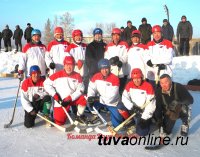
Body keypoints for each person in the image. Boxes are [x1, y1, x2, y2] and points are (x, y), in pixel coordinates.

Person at [44, 56, 88, 125]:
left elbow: (81, 89)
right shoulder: (57, 75)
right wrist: (55, 95)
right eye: (67, 65)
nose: (69, 67)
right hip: (61, 101)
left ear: (74, 66)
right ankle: (54, 114)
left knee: (85, 97)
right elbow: (46, 84)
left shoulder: (77, 76)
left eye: (71, 65)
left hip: (72, 99)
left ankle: (79, 116)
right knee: (59, 123)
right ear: (64, 65)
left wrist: (70, 98)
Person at [87, 59, 124, 127]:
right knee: (89, 101)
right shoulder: (96, 76)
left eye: (106, 68)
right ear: (100, 69)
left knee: (117, 125)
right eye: (102, 69)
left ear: (109, 68)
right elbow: (91, 88)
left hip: (113, 103)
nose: (104, 71)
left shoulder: (115, 78)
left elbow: (111, 97)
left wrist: (97, 99)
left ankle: (120, 117)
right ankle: (96, 116)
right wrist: (91, 97)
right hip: (101, 101)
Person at [119, 68, 156, 136]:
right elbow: (124, 98)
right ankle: (131, 121)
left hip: (143, 111)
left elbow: (151, 105)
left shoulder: (148, 86)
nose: (136, 80)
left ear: (142, 77)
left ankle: (149, 120)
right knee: (120, 106)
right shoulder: (129, 85)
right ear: (132, 79)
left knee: (142, 133)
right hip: (134, 109)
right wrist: (132, 107)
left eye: (138, 78)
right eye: (134, 78)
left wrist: (144, 118)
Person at [104, 28, 128, 95]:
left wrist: (120, 60)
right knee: (113, 89)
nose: (116, 37)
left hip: (122, 71)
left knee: (121, 90)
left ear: (120, 36)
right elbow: (106, 56)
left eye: (117, 35)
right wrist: (111, 60)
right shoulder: (109, 46)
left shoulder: (124, 44)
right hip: (112, 71)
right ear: (112, 36)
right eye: (114, 35)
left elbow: (126, 56)